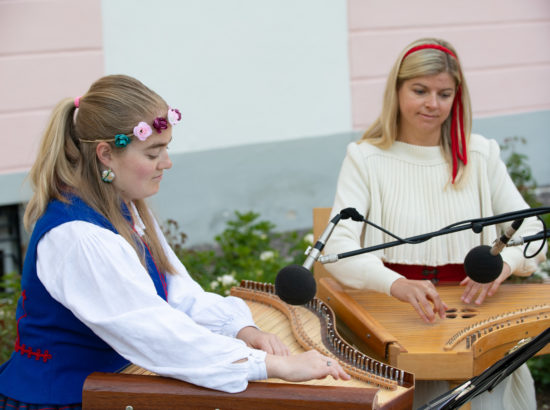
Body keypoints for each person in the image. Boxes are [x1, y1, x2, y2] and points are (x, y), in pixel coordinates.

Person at [0, 74, 349, 409]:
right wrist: (273, 366)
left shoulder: (125, 207)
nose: (166, 163)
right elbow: (153, 330)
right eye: (152, 153)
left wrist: (240, 329)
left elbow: (176, 292)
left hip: (114, 387)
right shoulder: (77, 236)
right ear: (105, 154)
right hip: (62, 399)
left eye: (165, 150)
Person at [323, 38, 545, 409]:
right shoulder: (365, 158)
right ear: (397, 90)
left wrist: (504, 265)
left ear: (457, 98)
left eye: (444, 94)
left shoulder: (479, 153)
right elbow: (337, 250)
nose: (432, 104)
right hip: (396, 316)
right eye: (420, 90)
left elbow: (531, 229)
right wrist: (396, 284)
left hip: (477, 312)